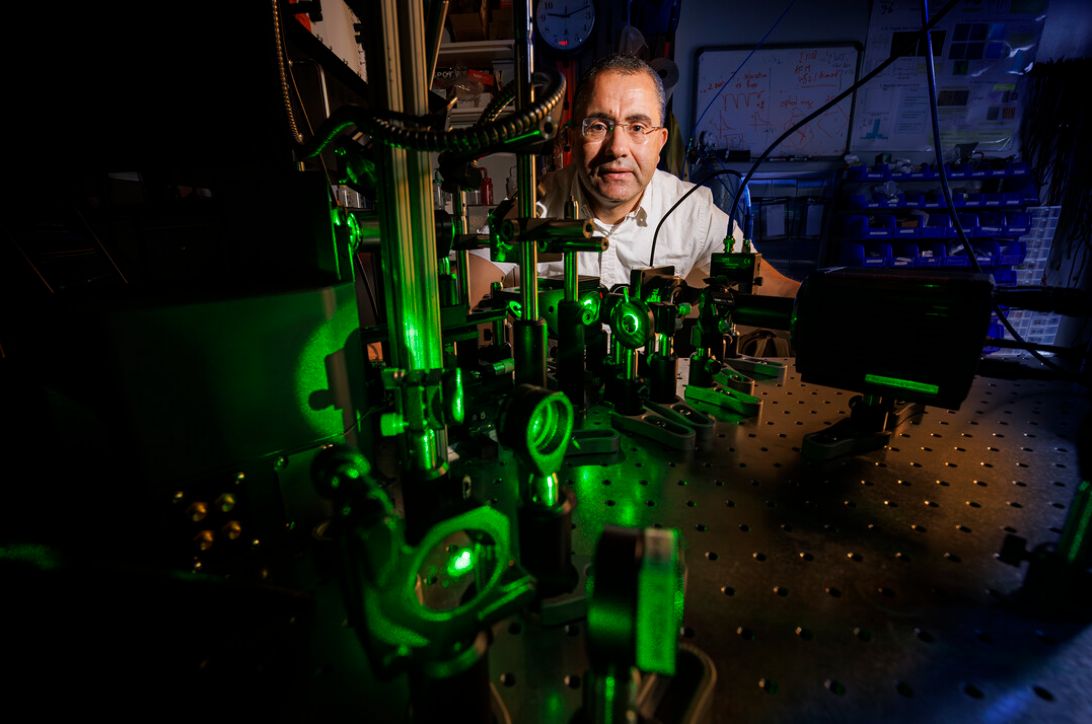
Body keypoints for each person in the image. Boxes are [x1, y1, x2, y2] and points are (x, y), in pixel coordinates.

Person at [469, 54, 800, 302]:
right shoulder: (532, 207)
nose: (617, 148)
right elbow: (465, 292)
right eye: (598, 126)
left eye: (638, 127)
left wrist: (822, 299)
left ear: (660, 142)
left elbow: (769, 288)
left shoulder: (693, 213)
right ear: (570, 137)